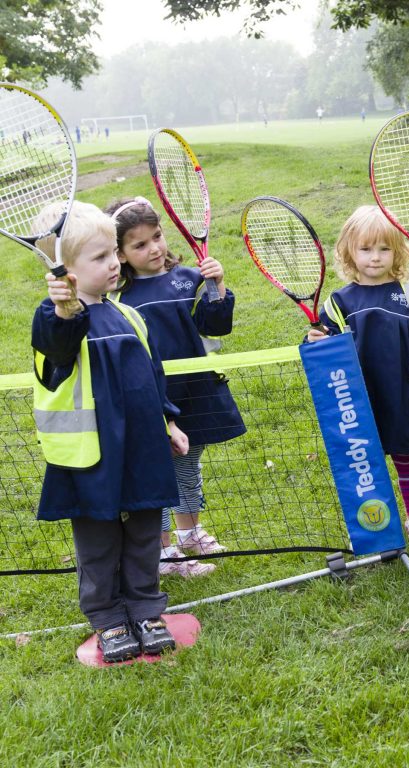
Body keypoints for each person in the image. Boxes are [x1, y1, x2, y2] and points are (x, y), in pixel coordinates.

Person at [31, 201, 188, 663]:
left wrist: (169, 421)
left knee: (143, 531)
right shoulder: (54, 318)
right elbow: (58, 351)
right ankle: (107, 618)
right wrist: (64, 308)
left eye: (112, 254)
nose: (115, 263)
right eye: (99, 259)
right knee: (97, 540)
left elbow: (152, 377)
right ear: (65, 270)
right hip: (90, 456)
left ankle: (144, 609)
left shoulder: (129, 316)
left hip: (140, 448)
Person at [105, 197, 246, 577]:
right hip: (150, 397)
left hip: (195, 391)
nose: (153, 248)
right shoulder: (118, 298)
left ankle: (191, 534)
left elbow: (215, 326)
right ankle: (163, 551)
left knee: (188, 465)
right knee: (157, 473)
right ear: (118, 254)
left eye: (157, 236)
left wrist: (217, 286)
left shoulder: (188, 278)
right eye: (139, 244)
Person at [308, 205, 409, 545]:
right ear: (349, 252)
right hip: (357, 397)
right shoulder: (339, 301)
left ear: (397, 251)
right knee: (364, 461)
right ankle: (374, 519)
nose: (375, 257)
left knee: (405, 455)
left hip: (402, 391)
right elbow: (323, 346)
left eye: (384, 249)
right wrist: (314, 340)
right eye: (366, 249)